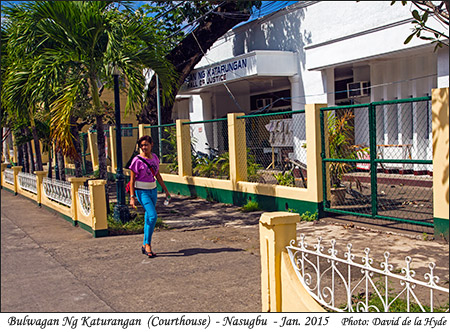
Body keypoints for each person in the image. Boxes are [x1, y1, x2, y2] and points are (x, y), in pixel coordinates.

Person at [129, 135, 170, 258]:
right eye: (141, 145)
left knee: (148, 218)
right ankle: (147, 244)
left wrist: (166, 190)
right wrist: (132, 197)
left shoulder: (155, 158)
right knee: (153, 216)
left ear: (151, 145)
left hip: (153, 190)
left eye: (146, 144)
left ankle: (145, 244)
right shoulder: (136, 160)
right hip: (142, 191)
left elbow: (157, 175)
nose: (144, 147)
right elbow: (132, 181)